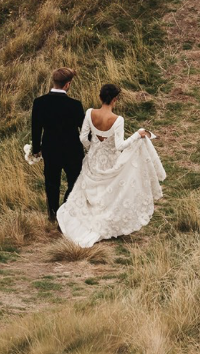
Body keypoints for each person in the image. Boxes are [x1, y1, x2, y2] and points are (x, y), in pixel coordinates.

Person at [56, 83, 166, 248]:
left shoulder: (90, 113)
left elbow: (83, 138)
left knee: (88, 191)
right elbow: (120, 146)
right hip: (109, 160)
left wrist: (92, 149)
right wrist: (137, 135)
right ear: (115, 99)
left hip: (93, 159)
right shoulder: (118, 120)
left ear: (100, 97)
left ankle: (80, 221)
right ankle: (102, 220)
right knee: (107, 193)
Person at [30, 67, 86, 221]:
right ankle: (67, 210)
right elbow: (84, 129)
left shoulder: (39, 102)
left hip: (50, 148)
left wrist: (36, 149)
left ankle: (53, 214)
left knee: (51, 182)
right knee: (74, 181)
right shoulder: (75, 105)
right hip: (72, 150)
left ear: (53, 81)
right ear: (67, 84)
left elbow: (36, 128)